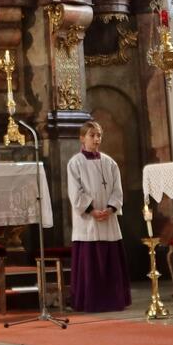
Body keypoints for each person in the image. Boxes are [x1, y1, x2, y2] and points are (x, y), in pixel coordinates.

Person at [67, 121, 131, 312]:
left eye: (99, 135)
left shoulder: (110, 162)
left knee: (110, 262)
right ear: (82, 138)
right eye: (92, 135)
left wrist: (110, 209)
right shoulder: (75, 163)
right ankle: (90, 300)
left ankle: (114, 299)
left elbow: (118, 190)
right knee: (91, 262)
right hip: (88, 221)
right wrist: (91, 210)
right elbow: (74, 192)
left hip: (108, 219)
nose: (96, 139)